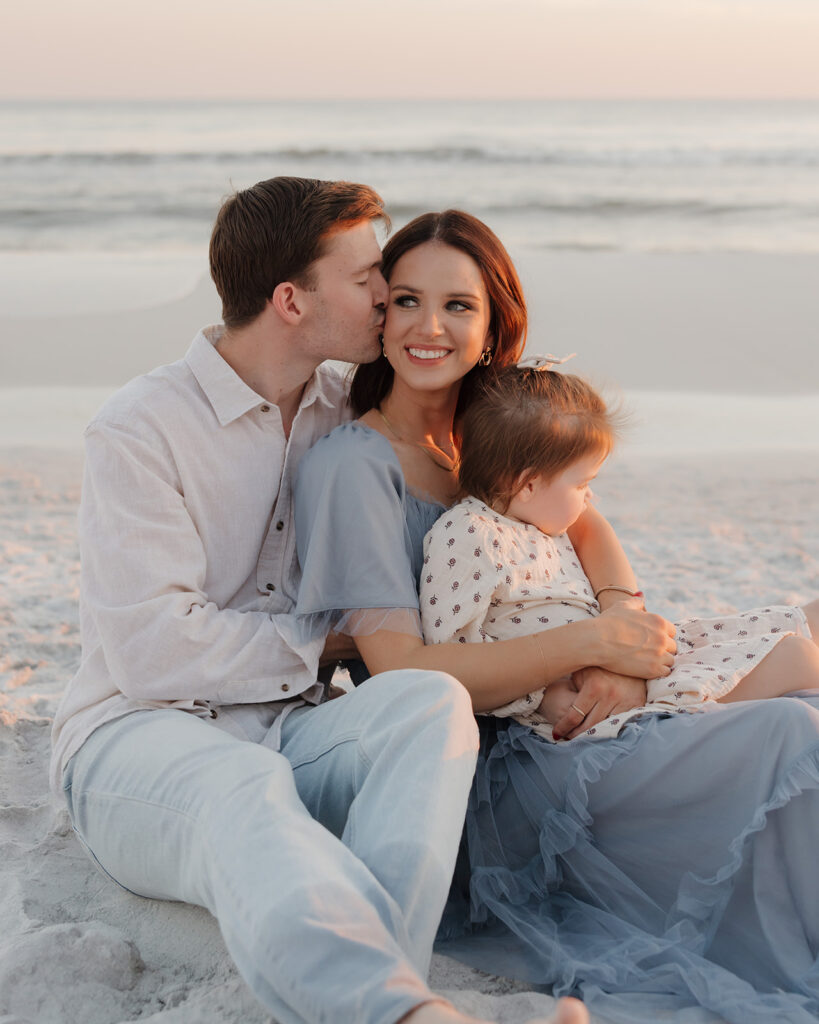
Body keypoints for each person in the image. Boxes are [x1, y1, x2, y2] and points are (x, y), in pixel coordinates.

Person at [49, 178, 588, 1024]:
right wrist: (333, 642)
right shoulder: (141, 427)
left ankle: (390, 996)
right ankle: (400, 1014)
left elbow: (519, 473)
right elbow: (154, 653)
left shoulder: (350, 408)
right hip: (140, 737)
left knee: (426, 702)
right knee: (242, 791)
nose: (386, 294)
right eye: (368, 276)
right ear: (292, 300)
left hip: (296, 728)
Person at [294, 208, 819, 1023]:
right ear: (378, 311)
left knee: (802, 665)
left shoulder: (493, 431)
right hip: (506, 758)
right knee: (792, 732)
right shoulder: (352, 468)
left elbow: (588, 522)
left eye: (457, 306)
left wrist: (617, 625)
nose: (428, 327)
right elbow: (399, 672)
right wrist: (590, 643)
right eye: (404, 300)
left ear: (494, 319)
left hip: (589, 693)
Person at [421, 363, 819, 741]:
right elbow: (455, 656)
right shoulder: (468, 534)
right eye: (582, 484)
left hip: (627, 660)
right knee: (797, 657)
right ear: (527, 485)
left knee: (801, 626)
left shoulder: (541, 522)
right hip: (603, 700)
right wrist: (541, 698)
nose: (589, 496)